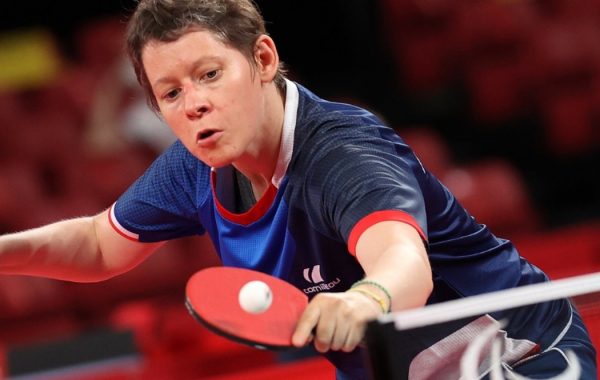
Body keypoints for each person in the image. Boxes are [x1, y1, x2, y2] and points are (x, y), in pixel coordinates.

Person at [0, 1, 596, 379]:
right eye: (171, 93)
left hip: (518, 358)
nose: (195, 103)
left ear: (262, 58)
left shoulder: (337, 151)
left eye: (209, 74)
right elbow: (100, 245)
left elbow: (400, 256)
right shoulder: (193, 168)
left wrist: (364, 301)